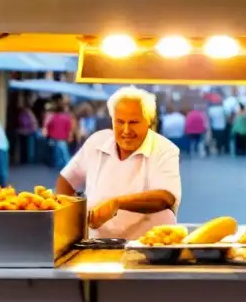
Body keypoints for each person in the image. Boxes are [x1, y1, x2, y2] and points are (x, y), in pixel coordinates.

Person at [56, 86, 181, 240]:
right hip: (97, 244)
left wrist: (117, 203)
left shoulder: (164, 149)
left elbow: (166, 197)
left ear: (149, 121)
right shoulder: (97, 141)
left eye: (134, 122)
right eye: (120, 122)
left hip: (148, 247)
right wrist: (74, 217)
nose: (126, 130)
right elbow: (66, 180)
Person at [43, 102, 74, 171]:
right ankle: (68, 166)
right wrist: (69, 137)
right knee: (64, 152)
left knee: (57, 152)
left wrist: (50, 135)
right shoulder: (67, 118)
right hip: (62, 137)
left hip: (54, 137)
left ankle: (59, 165)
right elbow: (68, 129)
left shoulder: (53, 117)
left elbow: (49, 126)